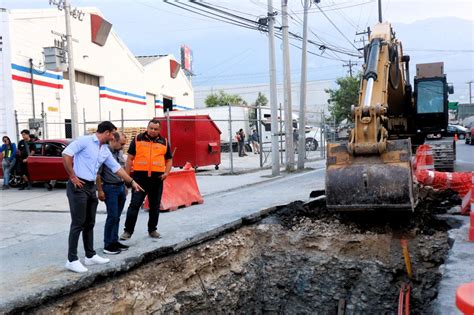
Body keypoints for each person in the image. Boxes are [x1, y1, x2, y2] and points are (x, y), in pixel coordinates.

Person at [62, 121, 143, 273]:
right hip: (78, 186)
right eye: (112, 134)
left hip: (90, 186)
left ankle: (90, 255)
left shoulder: (104, 149)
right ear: (106, 133)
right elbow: (66, 154)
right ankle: (71, 260)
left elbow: (117, 168)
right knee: (78, 223)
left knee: (89, 222)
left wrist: (131, 182)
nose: (113, 137)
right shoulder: (85, 141)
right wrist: (72, 177)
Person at [120, 118, 173, 241]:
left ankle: (152, 230)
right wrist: (127, 178)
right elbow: (129, 159)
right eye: (151, 128)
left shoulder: (164, 142)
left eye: (156, 129)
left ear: (159, 130)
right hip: (140, 179)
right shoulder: (138, 139)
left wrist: (166, 173)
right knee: (134, 205)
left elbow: (169, 160)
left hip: (157, 179)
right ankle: (127, 231)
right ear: (147, 128)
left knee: (154, 206)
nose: (153, 131)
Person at [96, 132, 129, 255]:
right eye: (121, 144)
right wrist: (100, 190)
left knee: (117, 217)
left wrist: (125, 185)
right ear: (113, 140)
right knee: (112, 216)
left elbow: (122, 169)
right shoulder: (104, 153)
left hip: (120, 187)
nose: (122, 147)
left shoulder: (119, 152)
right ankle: (108, 245)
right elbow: (97, 173)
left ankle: (114, 241)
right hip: (110, 188)